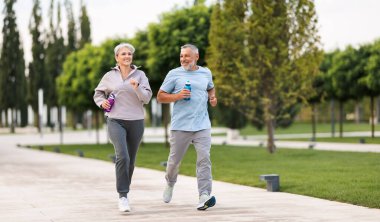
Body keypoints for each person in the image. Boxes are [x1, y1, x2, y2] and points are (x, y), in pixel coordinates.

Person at [157, 44, 218, 210]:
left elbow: (210, 87)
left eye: (187, 56)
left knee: (204, 159)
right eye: (181, 56)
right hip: (180, 126)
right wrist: (177, 96)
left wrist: (212, 98)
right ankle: (170, 183)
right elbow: (160, 97)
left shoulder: (206, 72)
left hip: (202, 125)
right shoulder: (174, 74)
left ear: (196, 57)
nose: (183, 59)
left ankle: (204, 195)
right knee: (174, 161)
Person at [93, 43, 152, 212]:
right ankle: (123, 195)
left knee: (131, 161)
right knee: (123, 157)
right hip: (115, 120)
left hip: (136, 121)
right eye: (123, 54)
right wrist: (101, 102)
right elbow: (98, 93)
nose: (127, 56)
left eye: (129, 54)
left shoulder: (140, 75)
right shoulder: (109, 76)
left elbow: (147, 98)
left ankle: (125, 192)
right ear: (116, 58)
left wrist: (137, 87)